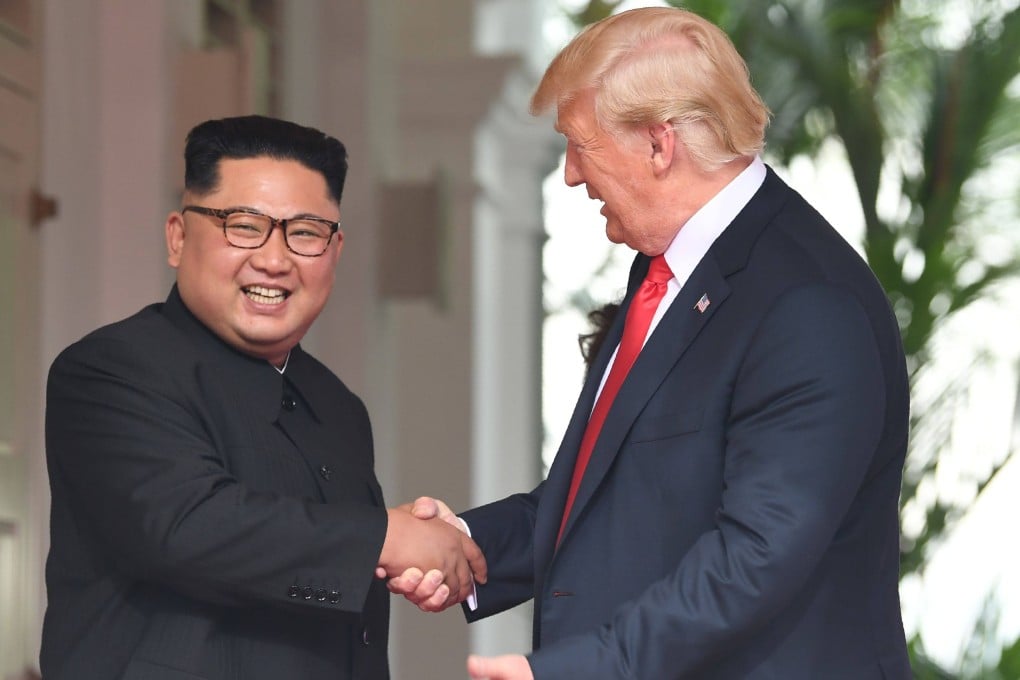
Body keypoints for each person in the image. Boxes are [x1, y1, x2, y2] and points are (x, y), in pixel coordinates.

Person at [392, 7, 912, 679]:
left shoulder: (807, 305)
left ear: (659, 144)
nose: (572, 175)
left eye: (580, 143)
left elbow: (754, 557)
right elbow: (614, 503)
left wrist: (571, 671)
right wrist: (467, 545)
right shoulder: (662, 269)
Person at [41, 115, 485, 680]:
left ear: (335, 248)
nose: (274, 259)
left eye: (304, 232)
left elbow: (313, 580)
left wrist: (396, 553)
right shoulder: (112, 370)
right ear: (178, 237)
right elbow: (185, 528)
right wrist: (385, 538)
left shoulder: (338, 405)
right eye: (243, 225)